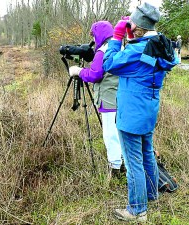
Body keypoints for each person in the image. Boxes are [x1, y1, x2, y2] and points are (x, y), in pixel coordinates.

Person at [103, 2, 179, 222]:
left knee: (133, 161)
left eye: (132, 20)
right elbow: (150, 62)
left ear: (138, 25)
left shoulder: (136, 50)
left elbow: (109, 64)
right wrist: (134, 36)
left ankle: (137, 210)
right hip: (148, 110)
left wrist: (117, 37)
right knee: (147, 153)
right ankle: (151, 194)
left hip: (131, 115)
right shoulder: (160, 45)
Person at [68, 21, 123, 177]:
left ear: (100, 33)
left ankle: (116, 168)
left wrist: (78, 71)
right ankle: (124, 162)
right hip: (121, 97)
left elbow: (95, 75)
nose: (92, 37)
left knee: (110, 134)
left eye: (93, 33)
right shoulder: (118, 46)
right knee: (120, 132)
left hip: (109, 99)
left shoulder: (103, 52)